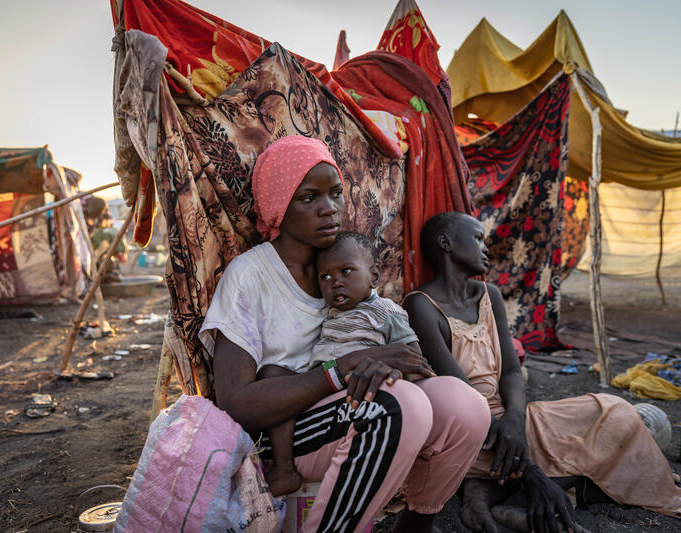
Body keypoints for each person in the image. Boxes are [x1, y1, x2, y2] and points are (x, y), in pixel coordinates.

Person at [198, 137, 490, 533]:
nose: (329, 208)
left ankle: (416, 525)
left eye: (335, 193)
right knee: (397, 405)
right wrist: (344, 368)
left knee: (465, 405)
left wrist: (392, 361)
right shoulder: (251, 277)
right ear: (278, 204)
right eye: (308, 198)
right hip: (283, 433)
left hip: (350, 407)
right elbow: (235, 403)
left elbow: (389, 343)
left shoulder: (344, 264)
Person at [403, 212, 681, 533]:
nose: (484, 246)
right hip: (469, 432)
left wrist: (516, 418)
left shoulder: (490, 296)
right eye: (476, 238)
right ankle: (507, 490)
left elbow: (512, 372)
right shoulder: (421, 305)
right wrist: (530, 469)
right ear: (445, 243)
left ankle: (493, 489)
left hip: (511, 423)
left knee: (614, 411)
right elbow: (461, 397)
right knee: (592, 455)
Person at [260, 230, 423, 496]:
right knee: (272, 374)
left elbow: (411, 355)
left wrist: (405, 379)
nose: (335, 282)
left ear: (374, 276)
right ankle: (284, 467)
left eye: (346, 271)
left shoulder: (385, 311)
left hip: (354, 388)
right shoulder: (326, 312)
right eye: (325, 277)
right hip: (319, 380)